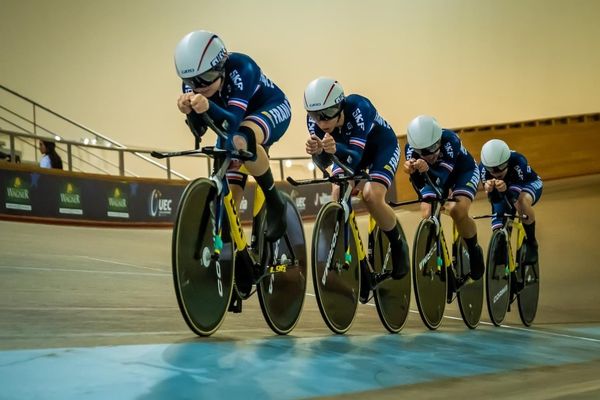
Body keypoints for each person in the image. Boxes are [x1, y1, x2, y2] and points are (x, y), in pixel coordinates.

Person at [174, 30, 291, 242]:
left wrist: (207, 106)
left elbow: (232, 123)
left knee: (239, 140)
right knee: (228, 199)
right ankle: (237, 250)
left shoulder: (241, 67)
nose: (200, 86)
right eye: (192, 81)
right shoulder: (195, 84)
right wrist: (190, 113)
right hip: (231, 118)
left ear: (221, 66)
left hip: (269, 108)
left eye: (207, 77)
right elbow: (199, 131)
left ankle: (275, 202)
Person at [303, 77, 409, 303]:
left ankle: (398, 244)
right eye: (315, 116)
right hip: (349, 153)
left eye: (328, 113)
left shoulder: (359, 107)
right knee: (337, 194)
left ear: (340, 105)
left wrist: (333, 148)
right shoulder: (314, 123)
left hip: (381, 149)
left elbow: (354, 157)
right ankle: (360, 264)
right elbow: (326, 163)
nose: (322, 122)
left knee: (371, 195)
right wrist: (317, 151)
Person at [402, 115, 484, 281]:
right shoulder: (410, 149)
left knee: (458, 211)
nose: (430, 154)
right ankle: (442, 261)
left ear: (439, 140)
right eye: (423, 151)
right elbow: (420, 184)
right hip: (434, 175)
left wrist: (426, 169)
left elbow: (441, 178)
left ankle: (474, 249)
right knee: (427, 212)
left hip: (462, 172)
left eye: (433, 147)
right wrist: (411, 171)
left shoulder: (451, 140)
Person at [479, 139, 542, 264]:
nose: (497, 173)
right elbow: (494, 201)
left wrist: (504, 190)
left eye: (501, 167)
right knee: (500, 217)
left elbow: (513, 198)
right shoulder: (482, 168)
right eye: (492, 170)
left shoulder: (519, 161)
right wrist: (490, 191)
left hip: (527, 184)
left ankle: (531, 242)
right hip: (507, 188)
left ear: (507, 161)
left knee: (521, 202)